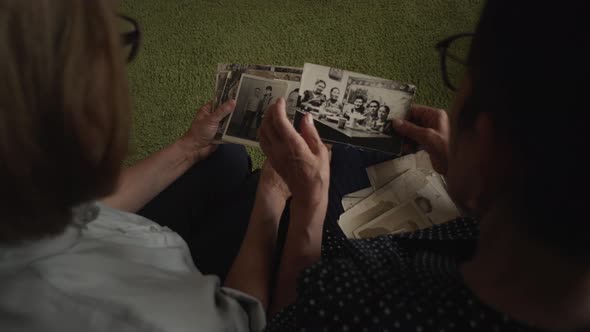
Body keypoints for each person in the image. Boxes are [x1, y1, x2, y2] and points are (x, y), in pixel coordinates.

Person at [255, 0, 590, 330]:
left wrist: (307, 201)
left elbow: (288, 318)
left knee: (274, 171)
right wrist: (469, 174)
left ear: (488, 145)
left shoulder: (357, 295)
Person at [0, 1, 287, 331]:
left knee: (225, 157)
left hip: (124, 244)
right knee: (267, 201)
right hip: (185, 297)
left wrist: (188, 149)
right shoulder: (120, 312)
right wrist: (274, 192)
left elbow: (84, 211)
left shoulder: (23, 197)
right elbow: (242, 321)